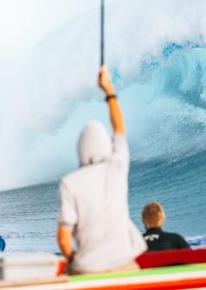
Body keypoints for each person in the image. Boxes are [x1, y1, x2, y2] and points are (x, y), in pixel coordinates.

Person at [57, 66, 146, 275]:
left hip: (88, 269)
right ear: (105, 145)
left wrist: (74, 262)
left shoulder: (69, 183)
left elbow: (63, 239)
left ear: (80, 150)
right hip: (124, 265)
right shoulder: (117, 166)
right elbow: (119, 129)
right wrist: (109, 91)